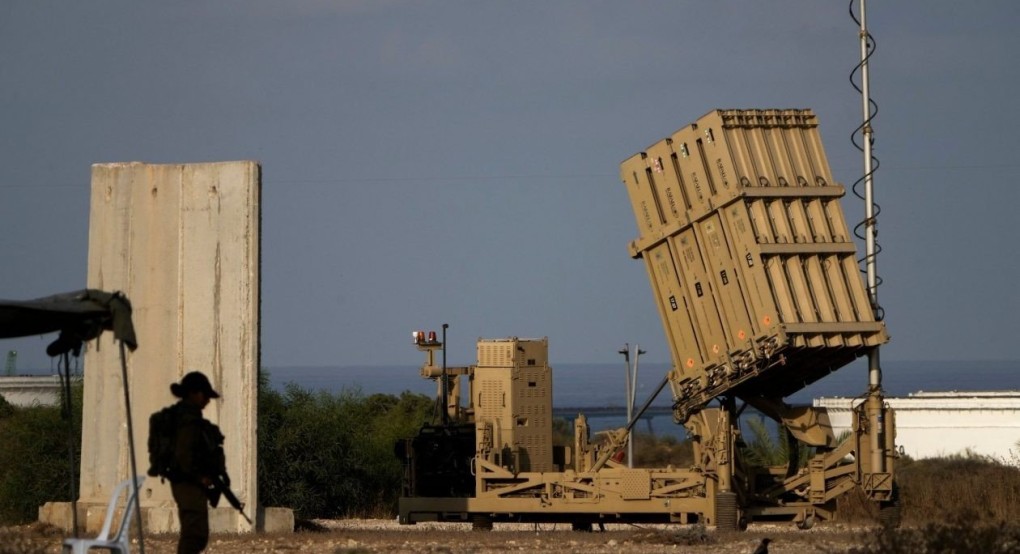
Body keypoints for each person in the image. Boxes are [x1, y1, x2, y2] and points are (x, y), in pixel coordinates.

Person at [167, 371, 222, 554]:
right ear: (194, 394)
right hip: (188, 482)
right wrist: (200, 477)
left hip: (190, 482)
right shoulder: (187, 420)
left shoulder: (191, 418)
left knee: (197, 534)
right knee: (194, 535)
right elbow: (184, 456)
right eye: (205, 396)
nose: (207, 401)